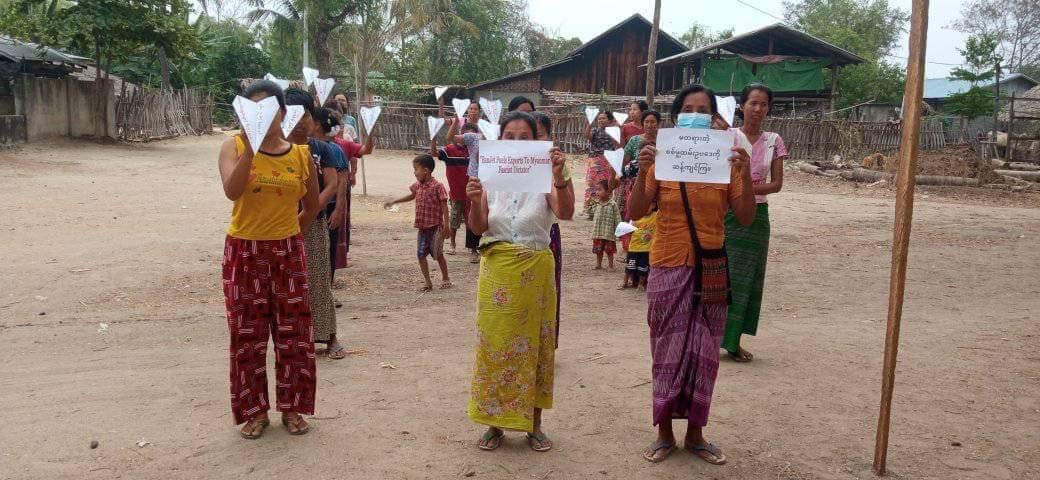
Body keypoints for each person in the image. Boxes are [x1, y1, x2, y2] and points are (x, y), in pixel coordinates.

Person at [627, 84, 755, 465]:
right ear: (677, 116)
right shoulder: (662, 158)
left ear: (716, 117)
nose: (696, 113)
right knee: (665, 349)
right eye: (688, 108)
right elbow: (635, 212)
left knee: (704, 354)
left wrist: (745, 173)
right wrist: (644, 171)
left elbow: (746, 217)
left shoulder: (727, 160)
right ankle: (665, 433)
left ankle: (696, 434)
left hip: (711, 265)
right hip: (667, 262)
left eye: (703, 108)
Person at [465, 111, 574, 453]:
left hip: (535, 273)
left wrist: (558, 177)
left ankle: (534, 424)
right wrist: (472, 201)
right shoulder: (489, 176)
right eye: (509, 136)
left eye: (524, 137)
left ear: (537, 141)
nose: (515, 143)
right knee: (495, 347)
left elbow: (566, 212)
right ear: (500, 141)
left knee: (536, 348)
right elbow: (479, 227)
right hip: (497, 271)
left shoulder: (548, 175)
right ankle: (494, 424)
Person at [217, 80, 320, 438]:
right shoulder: (233, 147)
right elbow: (232, 191)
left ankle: (293, 409)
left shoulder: (301, 154)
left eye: (268, 109)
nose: (262, 116)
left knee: (294, 334)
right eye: (253, 109)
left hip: (288, 251)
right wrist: (252, 147)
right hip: (244, 252)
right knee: (248, 335)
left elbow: (312, 204)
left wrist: (292, 233)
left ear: (281, 112)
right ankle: (254, 411)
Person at [722, 83, 787, 363]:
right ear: (742, 105)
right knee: (717, 274)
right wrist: (738, 191)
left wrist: (745, 188)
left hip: (757, 218)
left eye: (763, 104)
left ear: (768, 108)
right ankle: (710, 337)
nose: (757, 109)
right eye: (752, 103)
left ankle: (733, 340)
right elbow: (716, 177)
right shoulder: (727, 137)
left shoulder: (774, 141)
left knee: (747, 279)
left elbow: (776, 185)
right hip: (725, 216)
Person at [285, 90, 349, 360]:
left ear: (312, 118)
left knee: (319, 279)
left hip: (312, 223)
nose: (299, 120)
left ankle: (330, 336)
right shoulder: (274, 149)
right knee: (286, 283)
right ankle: (292, 337)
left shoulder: (322, 149)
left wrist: (309, 213)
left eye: (304, 114)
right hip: (279, 223)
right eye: (291, 113)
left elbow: (332, 184)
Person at [384, 155, 452, 291]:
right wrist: (395, 201)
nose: (414, 173)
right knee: (420, 255)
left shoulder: (438, 186)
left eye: (416, 169)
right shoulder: (417, 186)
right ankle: (428, 282)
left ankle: (445, 278)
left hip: (435, 228)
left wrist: (446, 226)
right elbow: (412, 196)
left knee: (438, 254)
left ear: (426, 170)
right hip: (422, 228)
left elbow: (444, 206)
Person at [324, 111, 375, 277]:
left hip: (335, 198)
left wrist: (370, 130)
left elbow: (366, 150)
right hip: (319, 200)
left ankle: (330, 277)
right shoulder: (314, 144)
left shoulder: (343, 145)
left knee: (333, 239)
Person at [533, 111, 568, 348]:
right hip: (510, 242)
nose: (533, 141)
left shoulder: (557, 165)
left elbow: (563, 210)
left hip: (546, 235)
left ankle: (545, 345)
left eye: (539, 135)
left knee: (547, 292)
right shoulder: (504, 165)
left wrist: (556, 176)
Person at [441, 99, 485, 263]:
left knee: (486, 210)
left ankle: (483, 246)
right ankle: (473, 248)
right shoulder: (472, 136)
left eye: (476, 109)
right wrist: (454, 121)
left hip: (489, 176)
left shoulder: (490, 130)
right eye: (471, 109)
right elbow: (450, 137)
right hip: (474, 176)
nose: (473, 111)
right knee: (473, 210)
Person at [430, 124, 476, 255]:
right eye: (467, 136)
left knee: (471, 221)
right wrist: (433, 139)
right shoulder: (450, 150)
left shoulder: (475, 151)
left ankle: (473, 248)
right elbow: (434, 153)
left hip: (472, 194)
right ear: (461, 135)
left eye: (472, 136)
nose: (469, 139)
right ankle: (453, 245)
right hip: (456, 194)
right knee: (454, 221)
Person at [620, 110, 661, 220]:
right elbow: (625, 160)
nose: (649, 125)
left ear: (659, 123)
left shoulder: (664, 141)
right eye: (646, 122)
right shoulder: (635, 140)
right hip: (636, 182)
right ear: (643, 124)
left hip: (657, 184)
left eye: (653, 122)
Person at [583, 110, 620, 218]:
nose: (601, 120)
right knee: (592, 183)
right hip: (595, 160)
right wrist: (589, 124)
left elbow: (617, 143)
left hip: (608, 160)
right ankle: (590, 210)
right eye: (599, 118)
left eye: (603, 118)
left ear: (609, 120)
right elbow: (587, 136)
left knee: (606, 184)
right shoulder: (594, 130)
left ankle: (605, 208)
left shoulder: (613, 131)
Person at [620, 205, 657, 290]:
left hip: (646, 249)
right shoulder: (636, 216)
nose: (646, 207)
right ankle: (625, 282)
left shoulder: (656, 216)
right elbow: (628, 230)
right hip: (634, 247)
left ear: (654, 205)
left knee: (643, 267)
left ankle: (640, 284)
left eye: (649, 205)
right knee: (630, 266)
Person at [590, 179, 621, 270]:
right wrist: (590, 205)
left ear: (608, 192)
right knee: (598, 250)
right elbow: (593, 213)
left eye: (600, 190)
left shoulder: (613, 204)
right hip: (598, 232)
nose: (597, 192)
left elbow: (617, 218)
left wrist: (619, 230)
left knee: (609, 250)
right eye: (597, 190)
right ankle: (598, 264)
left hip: (608, 233)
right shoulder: (597, 203)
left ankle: (610, 265)